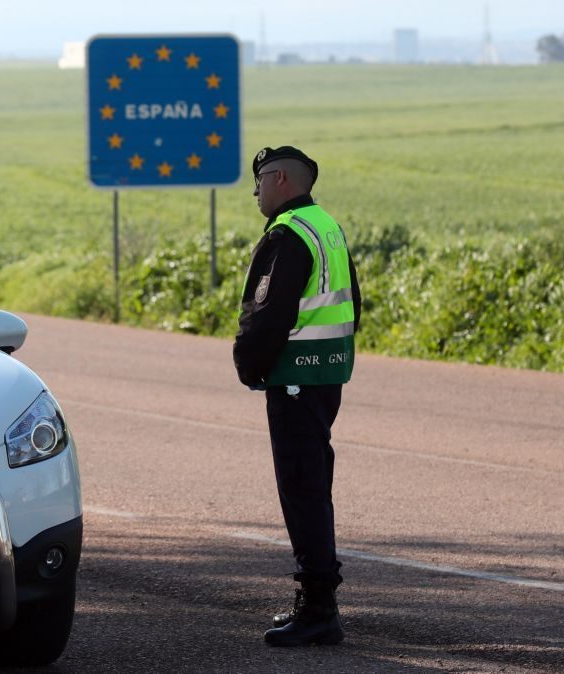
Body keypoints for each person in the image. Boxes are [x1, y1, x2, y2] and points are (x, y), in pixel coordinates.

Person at [232, 146, 360, 647]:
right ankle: (319, 603)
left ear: (280, 178)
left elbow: (267, 314)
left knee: (302, 489)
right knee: (314, 484)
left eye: (260, 181)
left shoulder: (286, 235)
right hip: (327, 375)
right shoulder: (325, 225)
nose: (256, 192)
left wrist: (249, 366)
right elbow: (354, 303)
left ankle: (318, 610)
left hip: (295, 379)